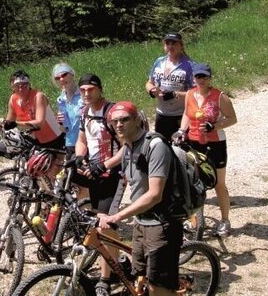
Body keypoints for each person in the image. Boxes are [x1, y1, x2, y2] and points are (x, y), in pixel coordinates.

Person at [100, 100, 182, 296]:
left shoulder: (155, 145)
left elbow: (155, 194)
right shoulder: (127, 147)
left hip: (161, 224)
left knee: (157, 288)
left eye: (124, 120)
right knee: (140, 276)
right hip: (141, 222)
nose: (119, 125)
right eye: (114, 121)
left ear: (137, 120)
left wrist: (118, 216)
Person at [73, 75, 123, 296]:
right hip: (95, 173)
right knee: (97, 220)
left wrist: (105, 165)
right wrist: (79, 157)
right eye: (83, 89)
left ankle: (106, 278)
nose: (86, 93)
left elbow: (127, 146)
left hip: (115, 174)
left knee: (105, 225)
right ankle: (117, 259)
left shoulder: (112, 113)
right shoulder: (85, 113)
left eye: (91, 89)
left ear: (100, 90)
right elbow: (82, 140)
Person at [176, 62, 238, 237]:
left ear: (210, 78)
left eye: (204, 77)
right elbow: (187, 115)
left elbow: (232, 119)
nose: (201, 80)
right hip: (194, 143)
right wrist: (182, 131)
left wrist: (214, 126)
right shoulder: (189, 94)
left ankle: (225, 220)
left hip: (215, 144)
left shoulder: (220, 97)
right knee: (195, 183)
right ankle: (195, 220)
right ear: (193, 78)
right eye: (198, 77)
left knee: (218, 183)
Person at [145, 33, 195, 139]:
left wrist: (174, 94)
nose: (170, 46)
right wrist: (151, 90)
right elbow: (149, 82)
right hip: (161, 114)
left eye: (174, 43)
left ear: (181, 45)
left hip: (181, 115)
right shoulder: (159, 61)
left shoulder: (189, 65)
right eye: (167, 43)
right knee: (162, 147)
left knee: (180, 150)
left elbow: (196, 94)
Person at [4, 70, 65, 149]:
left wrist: (16, 124)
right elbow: (8, 122)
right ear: (12, 88)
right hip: (33, 140)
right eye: (17, 86)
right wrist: (1, 125)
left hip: (53, 138)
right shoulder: (13, 99)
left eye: (24, 85)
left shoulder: (38, 96)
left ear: (29, 85)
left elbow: (39, 123)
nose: (20, 89)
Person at [52, 63, 83, 158]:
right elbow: (64, 130)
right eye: (57, 78)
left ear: (72, 74)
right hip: (70, 142)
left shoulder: (84, 95)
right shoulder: (60, 100)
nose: (61, 79)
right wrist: (60, 123)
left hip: (86, 142)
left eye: (64, 75)